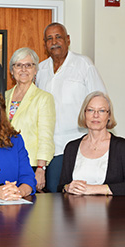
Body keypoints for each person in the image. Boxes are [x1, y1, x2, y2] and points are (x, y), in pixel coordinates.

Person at [36, 22, 107, 192]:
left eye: (58, 37)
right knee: (51, 196)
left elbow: (100, 101)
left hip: (77, 145)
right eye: (49, 38)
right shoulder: (40, 69)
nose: (54, 42)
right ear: (45, 44)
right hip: (47, 148)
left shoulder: (84, 64)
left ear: (68, 40)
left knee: (71, 195)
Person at [5, 47, 55, 191]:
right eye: (18, 65)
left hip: (31, 164)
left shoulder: (44, 98)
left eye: (29, 65)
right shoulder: (4, 96)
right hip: (6, 163)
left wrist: (41, 168)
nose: (23, 69)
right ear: (12, 71)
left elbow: (46, 137)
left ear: (35, 70)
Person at [59, 91, 125, 195]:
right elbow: (61, 186)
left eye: (102, 111)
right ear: (84, 114)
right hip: (75, 209)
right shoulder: (71, 147)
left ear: (109, 116)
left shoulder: (121, 147)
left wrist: (93, 189)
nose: (95, 115)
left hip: (111, 209)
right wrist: (67, 187)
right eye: (90, 110)